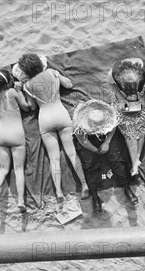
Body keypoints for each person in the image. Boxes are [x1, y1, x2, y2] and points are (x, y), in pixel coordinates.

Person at [15, 52, 89, 203]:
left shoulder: (27, 85)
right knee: (72, 153)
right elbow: (69, 84)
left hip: (45, 118)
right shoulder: (51, 73)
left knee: (54, 159)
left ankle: (59, 192)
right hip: (60, 113)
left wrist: (20, 90)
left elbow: (32, 107)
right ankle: (84, 184)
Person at [0, 69, 30, 212]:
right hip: (16, 134)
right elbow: (26, 107)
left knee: (3, 169)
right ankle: (21, 201)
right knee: (18, 169)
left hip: (2, 134)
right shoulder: (12, 93)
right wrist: (19, 90)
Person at [108, 58, 145, 177]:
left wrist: (144, 97)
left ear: (140, 77)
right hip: (122, 95)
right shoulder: (112, 74)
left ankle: (137, 158)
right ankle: (135, 161)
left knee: (142, 122)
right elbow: (112, 86)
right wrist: (122, 98)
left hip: (142, 93)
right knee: (127, 125)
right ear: (120, 79)